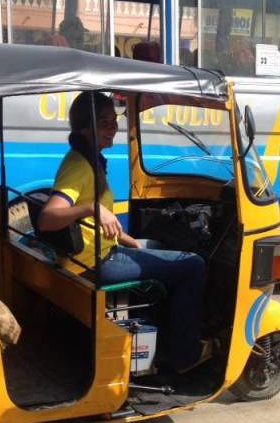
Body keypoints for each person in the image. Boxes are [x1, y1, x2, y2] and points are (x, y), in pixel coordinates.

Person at [37, 92, 213, 373]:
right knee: (193, 264)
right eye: (104, 122)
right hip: (97, 262)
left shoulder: (90, 158)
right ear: (85, 127)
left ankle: (158, 335)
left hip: (101, 252)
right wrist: (91, 208)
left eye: (114, 120)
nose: (113, 127)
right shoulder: (80, 166)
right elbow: (48, 218)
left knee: (155, 245)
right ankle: (183, 355)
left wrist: (133, 243)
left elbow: (102, 227)